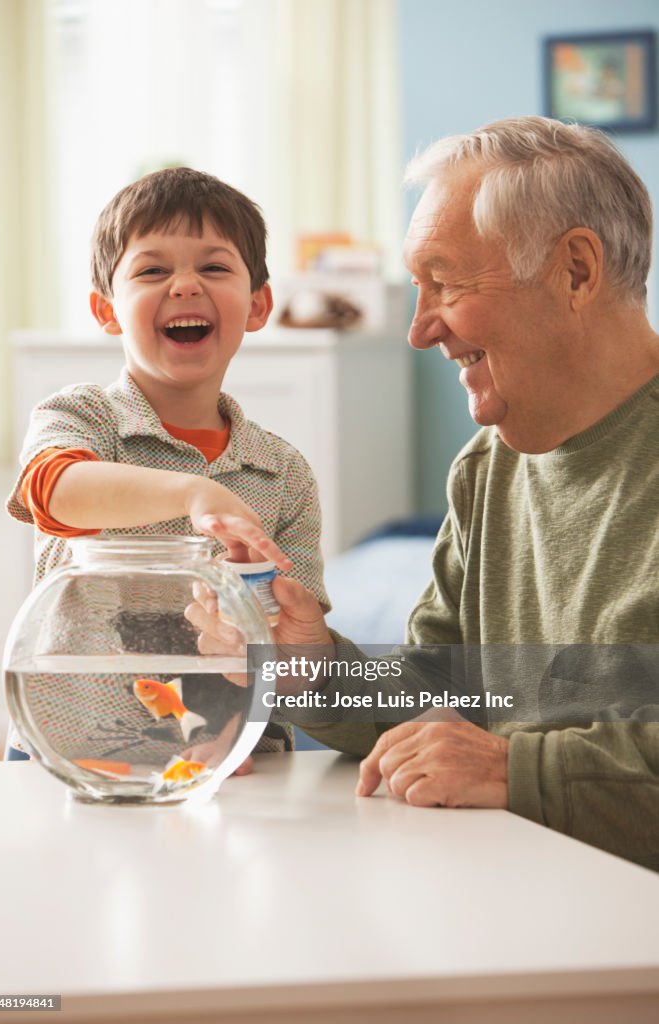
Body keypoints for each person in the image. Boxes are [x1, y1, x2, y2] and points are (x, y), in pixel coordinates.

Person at [188, 116, 659, 868]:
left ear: (575, 270)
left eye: (445, 282)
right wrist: (316, 667)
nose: (418, 330)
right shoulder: (486, 468)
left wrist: (514, 768)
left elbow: (488, 749)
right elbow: (440, 695)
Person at [6, 167, 329, 760]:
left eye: (213, 267)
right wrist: (190, 493)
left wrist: (246, 721)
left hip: (232, 761)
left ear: (258, 305)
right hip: (74, 756)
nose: (184, 285)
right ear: (107, 310)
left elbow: (299, 659)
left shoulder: (283, 472)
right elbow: (53, 489)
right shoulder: (82, 416)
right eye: (153, 270)